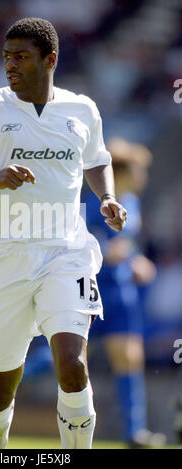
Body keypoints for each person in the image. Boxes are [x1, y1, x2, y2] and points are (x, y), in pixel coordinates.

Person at [0, 17, 126, 449]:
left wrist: (107, 197)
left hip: (66, 252)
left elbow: (97, 159)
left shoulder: (82, 110)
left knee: (73, 365)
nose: (11, 66)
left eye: (21, 57)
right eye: (7, 57)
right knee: (1, 388)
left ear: (51, 59)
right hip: (3, 258)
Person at [86, 138, 166, 448]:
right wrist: (107, 251)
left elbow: (127, 246)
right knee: (63, 357)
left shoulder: (131, 203)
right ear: (120, 173)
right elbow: (78, 242)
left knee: (130, 358)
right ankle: (8, 385)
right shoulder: (94, 204)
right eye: (138, 171)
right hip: (94, 292)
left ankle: (134, 433)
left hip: (121, 295)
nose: (143, 178)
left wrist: (135, 260)